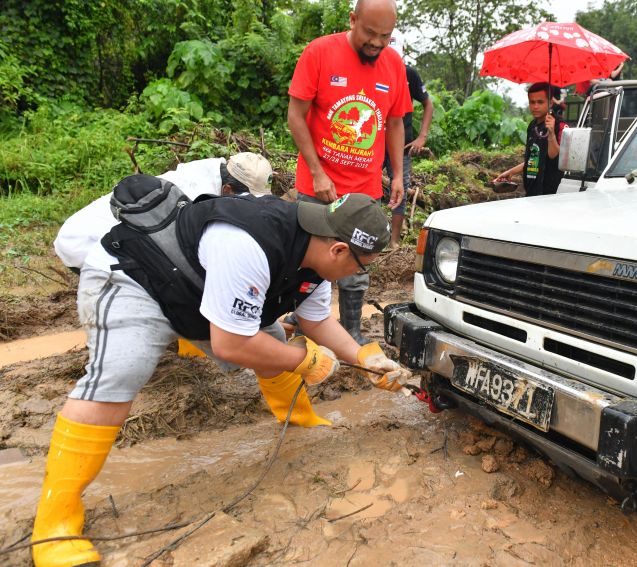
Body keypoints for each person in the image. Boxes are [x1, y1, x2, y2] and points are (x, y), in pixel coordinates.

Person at [31, 181, 410, 567]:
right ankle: (55, 522)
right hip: (138, 278)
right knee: (122, 371)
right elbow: (232, 345)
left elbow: (315, 321)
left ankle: (298, 418)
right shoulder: (251, 243)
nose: (356, 275)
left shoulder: (315, 259)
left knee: (275, 336)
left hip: (199, 291)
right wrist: (304, 362)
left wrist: (364, 357)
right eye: (362, 267)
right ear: (339, 248)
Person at [287, 0, 412, 344]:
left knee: (356, 266)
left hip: (364, 190)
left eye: (384, 36)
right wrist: (317, 172)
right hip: (318, 185)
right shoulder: (319, 52)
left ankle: (351, 333)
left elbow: (395, 122)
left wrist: (398, 175)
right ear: (353, 20)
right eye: (369, 33)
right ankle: (303, 329)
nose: (376, 43)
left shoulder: (394, 65)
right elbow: (296, 116)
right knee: (309, 262)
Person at [54, 152, 274, 272]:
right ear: (227, 189)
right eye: (243, 198)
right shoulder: (192, 197)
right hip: (85, 244)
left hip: (85, 235)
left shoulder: (214, 171)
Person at [382, 34, 434, 248]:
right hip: (373, 142)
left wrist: (422, 136)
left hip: (401, 143)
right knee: (368, 189)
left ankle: (394, 240)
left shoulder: (409, 73)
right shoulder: (374, 68)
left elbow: (428, 103)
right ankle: (369, 236)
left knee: (400, 188)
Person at [494, 83, 568, 197]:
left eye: (540, 102)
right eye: (532, 102)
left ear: (551, 103)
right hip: (531, 191)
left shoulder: (560, 126)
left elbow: (554, 156)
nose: (535, 106)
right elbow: (533, 159)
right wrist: (510, 172)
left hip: (550, 194)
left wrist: (551, 133)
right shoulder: (532, 126)